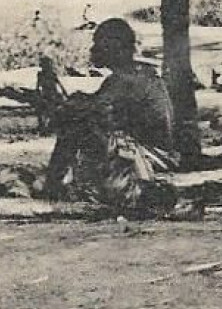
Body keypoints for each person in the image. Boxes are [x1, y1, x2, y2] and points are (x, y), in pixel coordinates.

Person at [41, 18, 179, 215]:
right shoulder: (136, 74)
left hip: (151, 156)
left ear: (114, 47)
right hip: (152, 152)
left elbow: (90, 110)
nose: (93, 50)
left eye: (98, 44)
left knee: (75, 126)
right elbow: (99, 104)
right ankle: (59, 186)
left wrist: (62, 103)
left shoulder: (125, 79)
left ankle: (52, 188)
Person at [35, 54, 68, 132]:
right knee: (43, 109)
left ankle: (48, 124)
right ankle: (43, 124)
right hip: (47, 94)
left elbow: (59, 84)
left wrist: (65, 93)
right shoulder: (42, 74)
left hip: (52, 94)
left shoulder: (50, 74)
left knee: (51, 109)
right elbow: (38, 86)